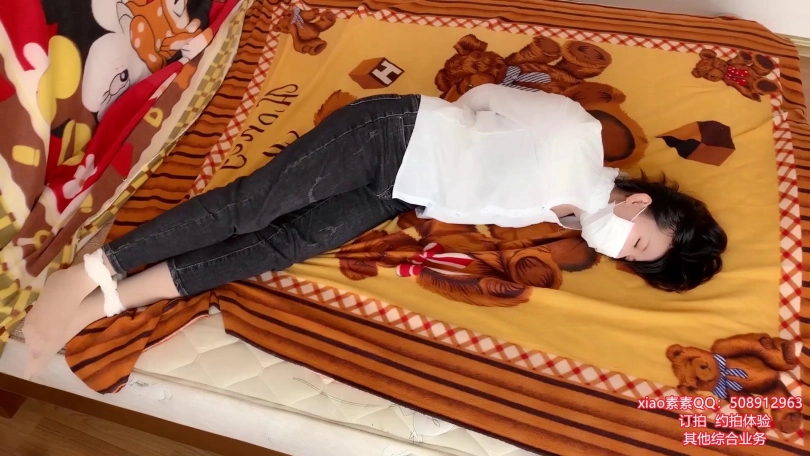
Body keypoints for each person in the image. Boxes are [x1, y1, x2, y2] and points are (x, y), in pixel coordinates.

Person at [21, 84, 727, 377]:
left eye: (633, 261)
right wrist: (461, 144)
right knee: (251, 209)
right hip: (391, 133)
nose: (620, 253)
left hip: (398, 189)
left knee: (287, 244)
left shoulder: (559, 220)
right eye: (638, 244)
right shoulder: (575, 136)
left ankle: (112, 300)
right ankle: (86, 272)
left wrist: (563, 213)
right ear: (639, 205)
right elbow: (482, 97)